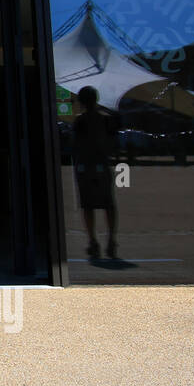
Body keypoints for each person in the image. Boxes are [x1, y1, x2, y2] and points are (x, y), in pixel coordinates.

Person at [73, 86, 120, 259]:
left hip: (85, 165)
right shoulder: (106, 120)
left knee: (87, 205)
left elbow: (76, 145)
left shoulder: (80, 121)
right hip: (102, 163)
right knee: (108, 203)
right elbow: (113, 143)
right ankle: (111, 240)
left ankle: (93, 240)